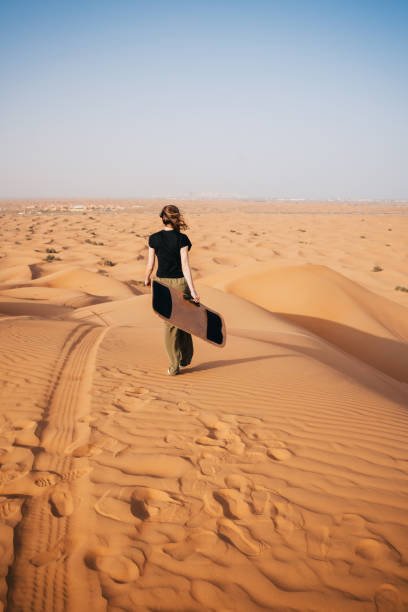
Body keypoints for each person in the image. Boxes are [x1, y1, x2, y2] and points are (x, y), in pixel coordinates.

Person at [145, 205, 200, 376]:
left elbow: (150, 264)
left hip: (162, 285)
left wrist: (146, 278)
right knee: (182, 321)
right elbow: (185, 267)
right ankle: (186, 357)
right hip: (180, 284)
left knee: (170, 325)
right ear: (176, 218)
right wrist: (192, 291)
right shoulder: (182, 239)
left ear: (162, 217)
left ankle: (174, 365)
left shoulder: (154, 238)